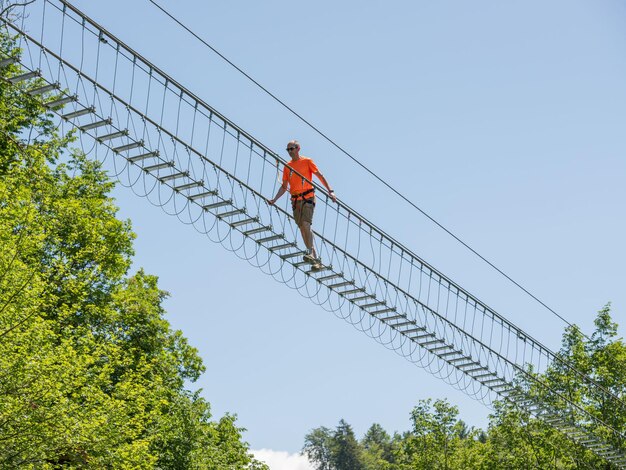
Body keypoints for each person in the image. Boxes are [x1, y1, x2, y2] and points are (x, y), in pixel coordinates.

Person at [268, 140, 336, 271]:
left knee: (306, 224)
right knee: (303, 229)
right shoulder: (287, 166)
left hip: (308, 198)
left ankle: (310, 253)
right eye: (287, 150)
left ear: (298, 148)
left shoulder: (307, 161)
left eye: (291, 149)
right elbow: (284, 187)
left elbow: (319, 176)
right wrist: (274, 200)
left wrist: (330, 191)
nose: (289, 152)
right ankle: (316, 259)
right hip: (295, 201)